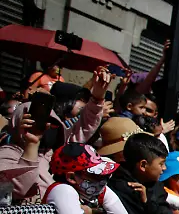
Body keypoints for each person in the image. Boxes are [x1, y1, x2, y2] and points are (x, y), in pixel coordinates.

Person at [0, 67, 111, 202]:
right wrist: (31, 143)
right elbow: (20, 188)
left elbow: (85, 125)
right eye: (34, 121)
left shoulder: (57, 152)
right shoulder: (7, 154)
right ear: (18, 123)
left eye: (51, 122)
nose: (44, 127)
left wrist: (97, 97)